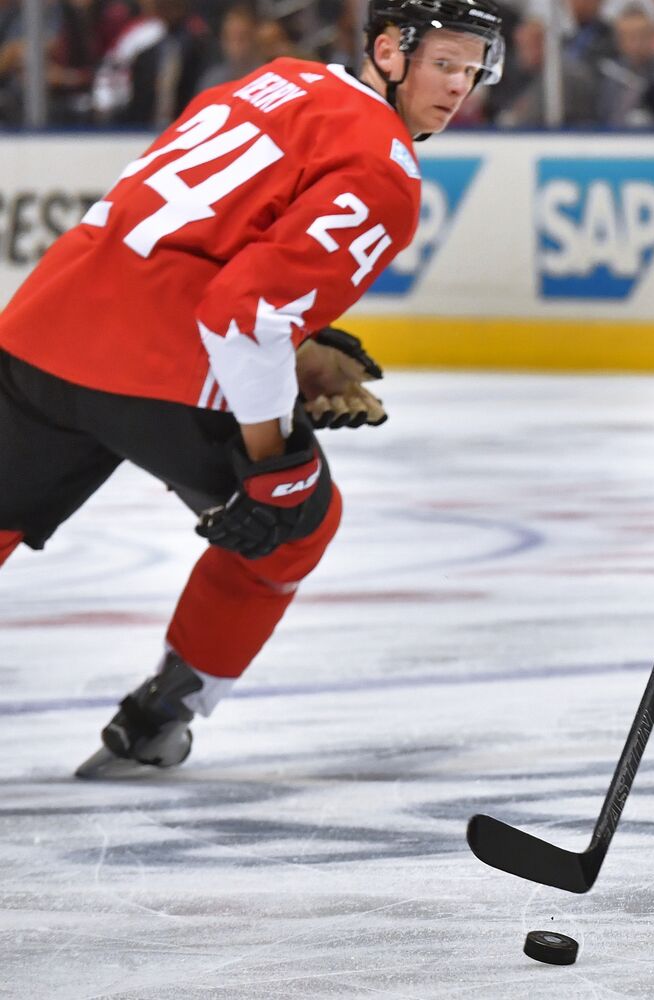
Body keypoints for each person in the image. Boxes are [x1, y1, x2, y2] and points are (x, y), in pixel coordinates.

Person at [0, 0, 506, 776]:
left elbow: (190, 239)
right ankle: (156, 724)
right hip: (156, 369)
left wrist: (290, 344)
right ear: (388, 51)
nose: (457, 88)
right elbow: (246, 316)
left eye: (472, 71)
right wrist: (271, 465)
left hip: (36, 332)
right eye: (444, 63)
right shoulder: (385, 166)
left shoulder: (272, 81)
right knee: (297, 519)